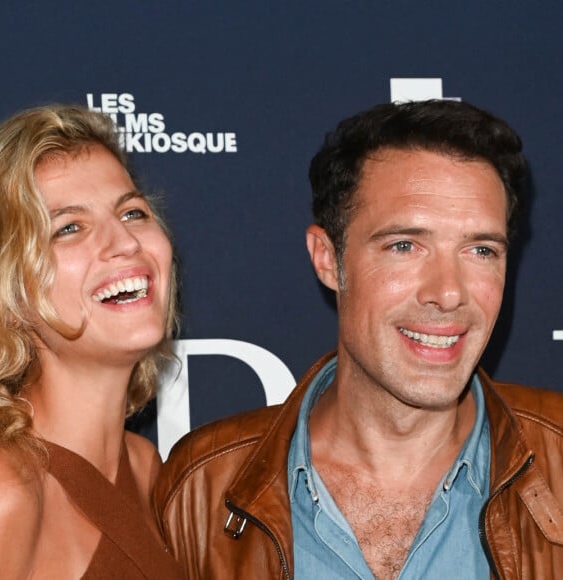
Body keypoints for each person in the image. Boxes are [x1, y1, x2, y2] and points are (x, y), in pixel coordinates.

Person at [154, 99, 563, 579]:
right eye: (405, 246)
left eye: (480, 250)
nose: (449, 293)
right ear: (328, 259)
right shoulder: (201, 487)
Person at [0, 104, 181, 578]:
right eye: (69, 227)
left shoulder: (148, 469)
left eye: (133, 212)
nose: (125, 242)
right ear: (6, 290)